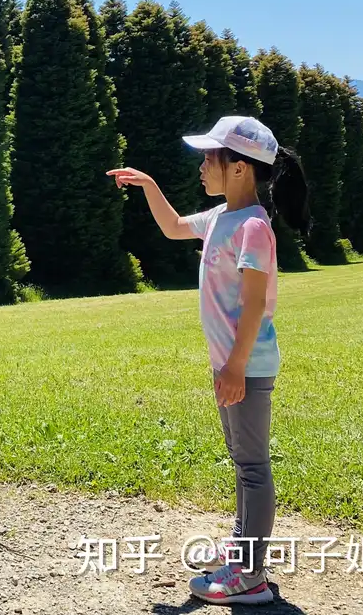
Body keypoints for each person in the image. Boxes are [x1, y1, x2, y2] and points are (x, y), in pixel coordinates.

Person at [108, 115, 308, 607]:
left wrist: (236, 367)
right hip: (230, 363)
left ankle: (250, 577)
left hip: (247, 364)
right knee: (243, 462)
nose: (202, 166)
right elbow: (175, 227)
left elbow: (256, 302)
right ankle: (242, 550)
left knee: (254, 466)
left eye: (209, 157)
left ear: (239, 167)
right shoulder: (222, 217)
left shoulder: (255, 227)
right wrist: (149, 185)